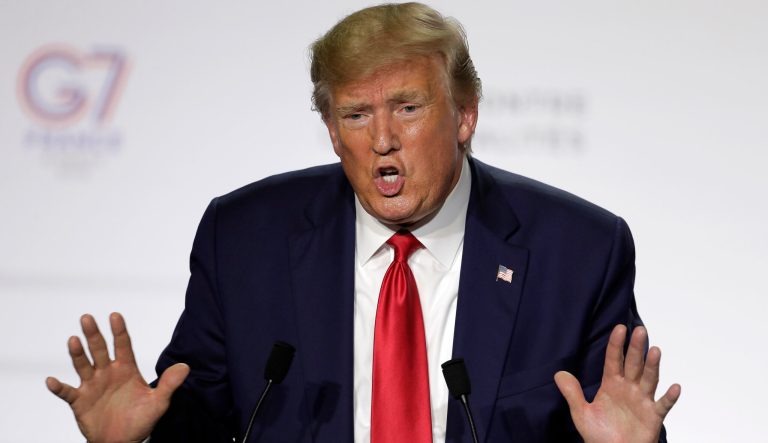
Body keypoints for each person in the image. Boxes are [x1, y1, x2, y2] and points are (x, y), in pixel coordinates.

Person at [47, 3, 680, 442]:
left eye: (407, 108)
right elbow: (201, 422)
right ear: (330, 130)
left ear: (465, 116)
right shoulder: (243, 240)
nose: (382, 139)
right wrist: (140, 437)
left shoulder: (578, 252)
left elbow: (607, 419)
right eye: (354, 115)